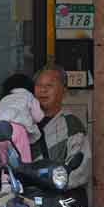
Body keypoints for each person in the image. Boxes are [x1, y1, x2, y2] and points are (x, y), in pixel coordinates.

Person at [29, 65, 90, 199]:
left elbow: (81, 170)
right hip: (31, 198)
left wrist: (52, 183)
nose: (43, 90)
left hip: (62, 200)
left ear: (64, 91)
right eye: (39, 85)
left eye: (49, 86)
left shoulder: (71, 124)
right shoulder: (25, 122)